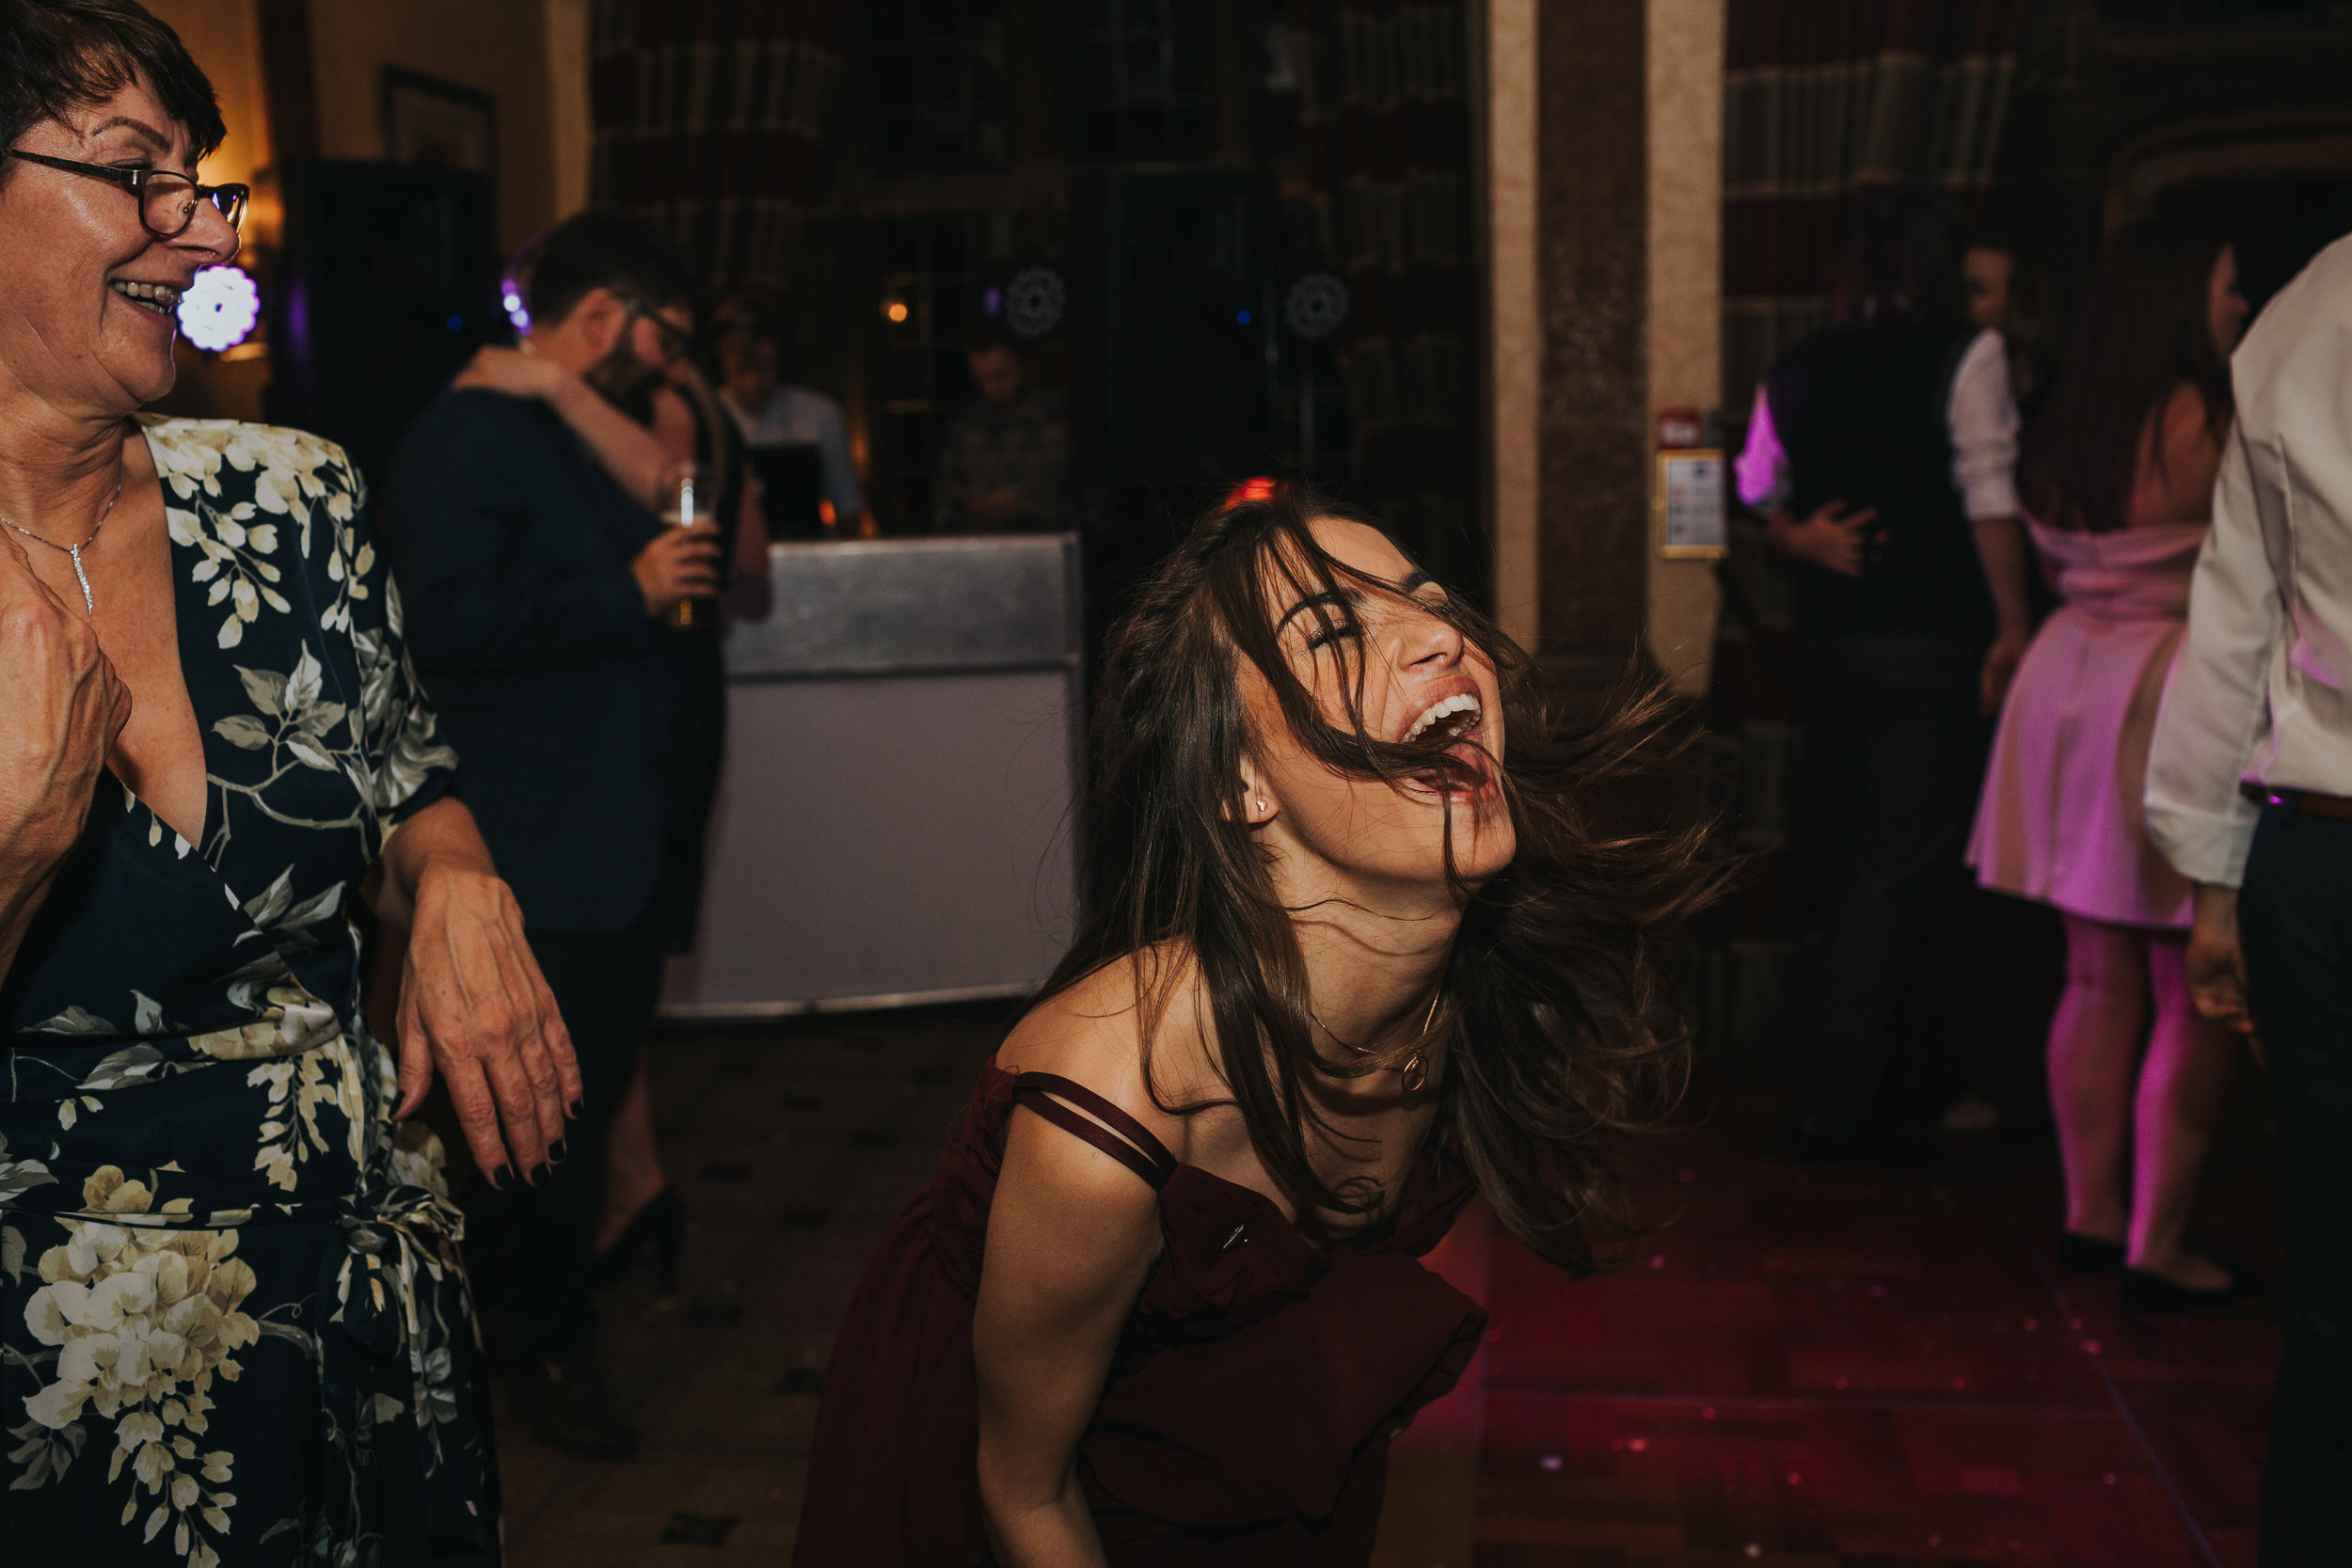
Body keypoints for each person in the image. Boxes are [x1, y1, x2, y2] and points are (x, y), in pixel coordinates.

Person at [791, 481, 1722, 1563]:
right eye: (1333, 630)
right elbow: (1024, 1490)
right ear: (1239, 780)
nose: (1438, 635)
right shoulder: (1114, 1107)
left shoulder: (1457, 994)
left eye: (1427, 600)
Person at [0, 4, 580, 1559]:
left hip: (366, 1313)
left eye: (202, 185)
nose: (191, 235)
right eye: (139, 176)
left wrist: (451, 874)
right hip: (69, 1388)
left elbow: (405, 774)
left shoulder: (288, 494)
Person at [379, 214, 721, 1459]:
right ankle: (530, 1337)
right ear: (598, 319)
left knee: (577, 1107)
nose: (673, 365)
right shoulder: (470, 435)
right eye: (663, 338)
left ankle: (545, 1303)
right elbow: (432, 620)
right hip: (528, 845)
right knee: (534, 1119)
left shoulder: (589, 438)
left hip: (621, 833)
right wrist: (620, 593)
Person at [1967, 221, 2252, 1310]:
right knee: (2194, 983)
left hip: (2067, 682)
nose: (2240, 305)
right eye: (2229, 285)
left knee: (2094, 975)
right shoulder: (2212, 417)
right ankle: (2158, 1239)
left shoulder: (2065, 419)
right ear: (2181, 297)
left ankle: (2089, 1215)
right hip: (2171, 692)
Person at [1735, 189, 2035, 1165]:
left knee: (1861, 864)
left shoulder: (1799, 365)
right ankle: (1840, 1098)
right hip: (1924, 645)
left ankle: (1871, 1081)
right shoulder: (1964, 351)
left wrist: (1791, 535)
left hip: (1827, 647)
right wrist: (2013, 624)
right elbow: (1989, 494)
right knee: (1897, 877)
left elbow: (1750, 489)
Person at [2144, 230, 2352, 1560]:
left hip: (2317, 853)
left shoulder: (2307, 306)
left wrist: (2213, 880)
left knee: (2337, 1285)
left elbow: (2235, 617)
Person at [711, 290, 871, 539]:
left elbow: (848, 510)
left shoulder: (821, 415)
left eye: (764, 369)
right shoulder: (706, 416)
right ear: (722, 363)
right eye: (741, 370)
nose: (753, 383)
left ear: (781, 359)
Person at [931, 319, 1071, 533]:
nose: (993, 387)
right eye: (982, 379)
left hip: (1050, 556)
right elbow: (943, 511)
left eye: (1002, 374)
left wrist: (1023, 507)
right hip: (983, 558)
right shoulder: (965, 427)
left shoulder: (1063, 419)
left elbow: (1096, 513)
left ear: (1028, 364)